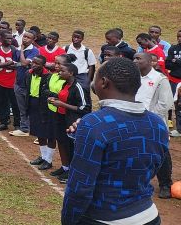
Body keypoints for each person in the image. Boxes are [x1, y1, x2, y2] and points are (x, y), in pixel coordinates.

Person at [62, 58, 168, 225]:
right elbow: (151, 166)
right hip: (149, 216)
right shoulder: (158, 123)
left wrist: (68, 220)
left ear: (103, 82)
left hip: (105, 218)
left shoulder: (94, 124)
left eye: (95, 77)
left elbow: (80, 187)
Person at [134, 51, 174, 199]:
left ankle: (165, 184)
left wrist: (149, 117)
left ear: (150, 62)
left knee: (161, 152)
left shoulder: (160, 79)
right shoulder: (132, 77)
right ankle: (138, 182)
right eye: (134, 58)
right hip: (135, 121)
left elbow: (165, 103)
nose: (135, 61)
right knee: (136, 151)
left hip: (154, 122)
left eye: (139, 59)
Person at [47, 61, 88, 183]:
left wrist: (62, 104)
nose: (59, 72)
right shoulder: (65, 84)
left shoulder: (79, 87)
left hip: (72, 121)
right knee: (63, 143)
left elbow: (84, 108)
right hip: (61, 117)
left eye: (62, 71)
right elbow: (65, 98)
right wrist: (55, 99)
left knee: (72, 146)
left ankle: (73, 172)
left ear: (71, 73)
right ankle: (66, 167)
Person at [26, 55, 57, 171]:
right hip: (33, 105)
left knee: (50, 134)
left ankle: (49, 160)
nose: (33, 65)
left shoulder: (48, 77)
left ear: (43, 65)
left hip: (45, 108)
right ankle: (43, 157)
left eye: (37, 63)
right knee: (39, 133)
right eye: (33, 62)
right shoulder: (29, 74)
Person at [0, 33, 19, 132]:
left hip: (12, 82)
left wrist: (1, 64)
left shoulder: (15, 50)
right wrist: (8, 63)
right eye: (7, 38)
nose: (10, 40)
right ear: (1, 38)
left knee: (15, 104)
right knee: (1, 102)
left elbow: (17, 65)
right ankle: (3, 122)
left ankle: (17, 124)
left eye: (11, 38)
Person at [11, 31, 38, 137]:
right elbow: (15, 63)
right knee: (21, 108)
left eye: (28, 37)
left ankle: (32, 128)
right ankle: (24, 128)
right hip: (18, 83)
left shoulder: (34, 51)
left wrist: (21, 50)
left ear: (33, 40)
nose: (25, 39)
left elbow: (24, 63)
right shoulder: (18, 49)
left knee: (30, 108)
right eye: (24, 36)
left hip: (29, 85)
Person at [65, 29, 96, 101]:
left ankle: (86, 106)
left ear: (82, 39)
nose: (75, 39)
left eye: (78, 37)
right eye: (74, 37)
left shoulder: (87, 51)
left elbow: (91, 65)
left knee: (84, 93)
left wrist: (88, 79)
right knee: (69, 93)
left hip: (82, 76)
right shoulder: (66, 48)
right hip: (69, 75)